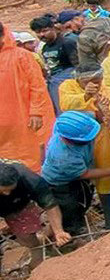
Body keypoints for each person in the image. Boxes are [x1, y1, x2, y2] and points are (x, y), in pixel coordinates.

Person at [57, 67, 110, 228]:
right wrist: (85, 95)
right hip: (74, 141)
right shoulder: (67, 87)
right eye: (87, 82)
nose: (93, 85)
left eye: (97, 82)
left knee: (105, 177)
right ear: (78, 80)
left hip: (104, 140)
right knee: (77, 182)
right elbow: (66, 104)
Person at [40, 111, 110, 235]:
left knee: (84, 201)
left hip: (78, 173)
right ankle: (66, 236)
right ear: (71, 140)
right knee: (69, 211)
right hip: (59, 184)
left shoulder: (76, 122)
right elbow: (85, 174)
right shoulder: (64, 156)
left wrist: (107, 116)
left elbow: (96, 116)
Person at [0, 23, 55, 171]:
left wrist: (36, 112)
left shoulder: (22, 56)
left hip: (22, 118)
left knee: (28, 158)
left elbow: (37, 85)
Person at [0, 160, 70, 268]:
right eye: (3, 190)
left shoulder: (30, 179)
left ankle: (41, 254)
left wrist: (58, 231)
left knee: (28, 238)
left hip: (18, 204)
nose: (7, 193)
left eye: (10, 189)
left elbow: (50, 205)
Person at [31, 14, 79, 113]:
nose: (41, 35)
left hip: (69, 84)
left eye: (45, 31)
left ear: (53, 28)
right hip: (54, 83)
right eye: (38, 32)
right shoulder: (45, 48)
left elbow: (77, 65)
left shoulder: (67, 43)